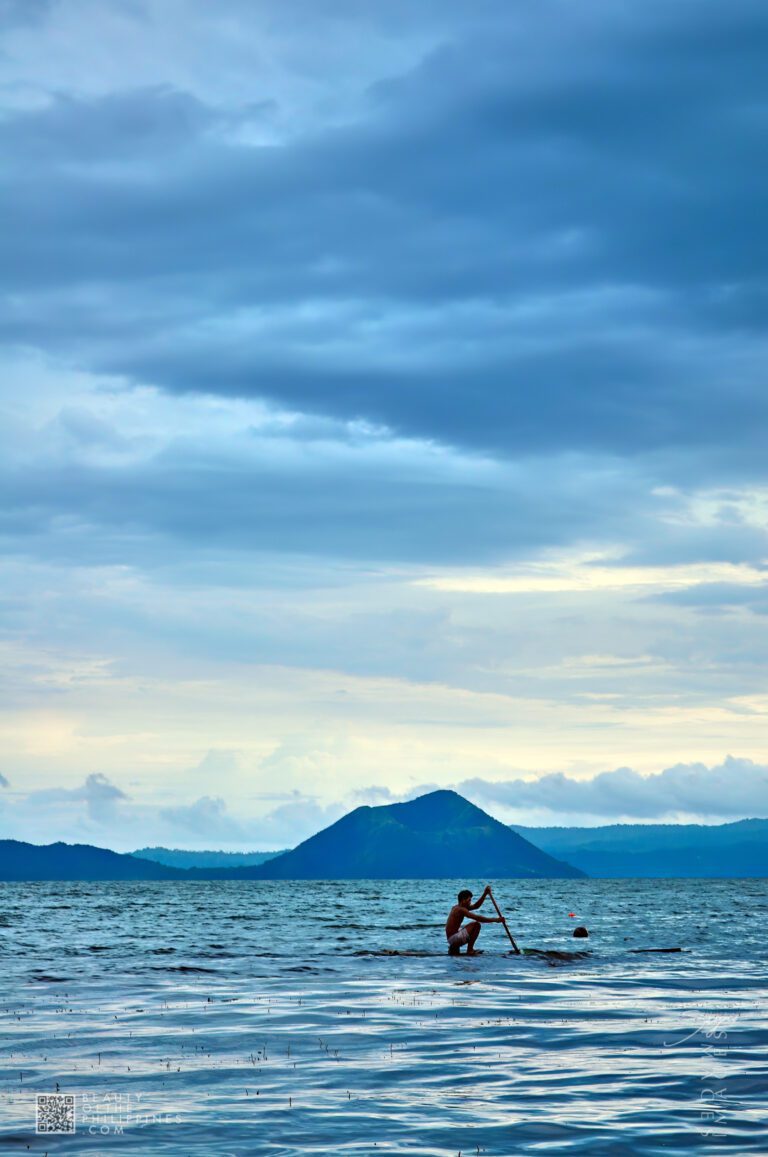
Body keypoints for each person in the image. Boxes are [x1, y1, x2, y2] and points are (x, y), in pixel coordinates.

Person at [445, 885, 502, 955]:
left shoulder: (457, 907)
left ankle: (453, 948)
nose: (470, 902)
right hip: (454, 939)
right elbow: (478, 918)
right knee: (476, 925)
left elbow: (476, 906)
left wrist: (485, 893)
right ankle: (470, 950)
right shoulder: (461, 909)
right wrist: (496, 920)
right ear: (463, 900)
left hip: (451, 939)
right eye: (469, 900)